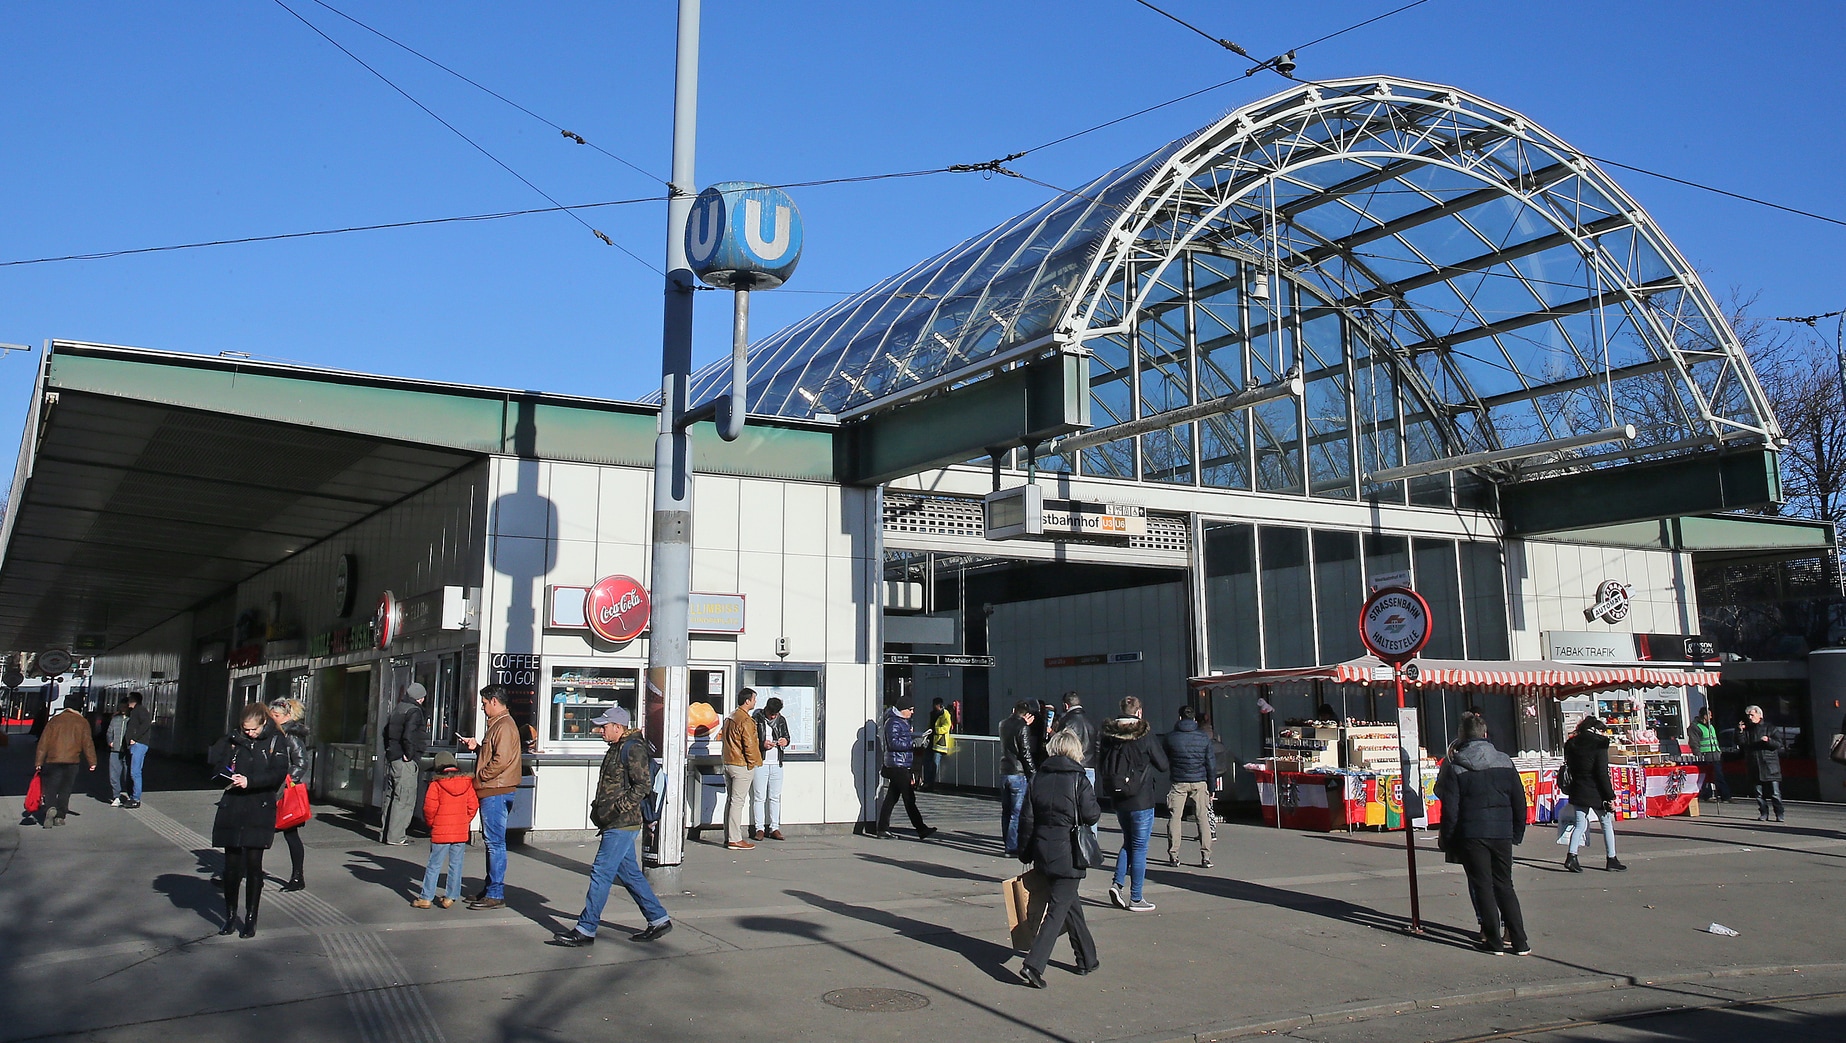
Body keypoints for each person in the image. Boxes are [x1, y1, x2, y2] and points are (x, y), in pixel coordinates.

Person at [552, 706, 673, 946]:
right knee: (629, 874)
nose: (600, 731)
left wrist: (618, 807)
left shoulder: (633, 748)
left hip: (622, 823)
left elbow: (642, 785)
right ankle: (658, 919)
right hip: (614, 821)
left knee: (601, 872)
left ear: (618, 727)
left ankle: (586, 929)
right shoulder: (617, 747)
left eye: (604, 727)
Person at [1434, 713, 1531, 956]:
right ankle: (1520, 941)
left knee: (1483, 886)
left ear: (1462, 736)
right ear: (1485, 734)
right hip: (1501, 831)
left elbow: (1451, 809)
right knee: (1505, 885)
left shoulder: (1456, 765)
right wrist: (1516, 832)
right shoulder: (1505, 762)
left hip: (1472, 832)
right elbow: (1520, 801)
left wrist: (1447, 838)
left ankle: (1493, 940)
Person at [1015, 728, 1102, 988]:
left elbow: (1027, 819)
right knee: (1056, 911)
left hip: (1044, 851)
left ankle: (1087, 958)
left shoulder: (1038, 778)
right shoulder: (1079, 779)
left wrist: (1025, 852)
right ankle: (1034, 965)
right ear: (1075, 750)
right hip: (1070, 854)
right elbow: (1092, 815)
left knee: (1069, 905)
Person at [212, 704, 290, 938]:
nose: (249, 734)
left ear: (263, 723)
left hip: (260, 806)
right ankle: (229, 916)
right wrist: (228, 775)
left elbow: (278, 772)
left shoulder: (276, 741)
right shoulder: (234, 739)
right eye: (245, 729)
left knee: (254, 866)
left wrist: (250, 781)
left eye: (253, 730)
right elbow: (218, 766)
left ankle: (250, 918)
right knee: (231, 867)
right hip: (234, 805)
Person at [1098, 696, 1169, 911]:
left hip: (1119, 798)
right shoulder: (1144, 735)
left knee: (1128, 841)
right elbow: (1163, 765)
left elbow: (1102, 763)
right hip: (1142, 798)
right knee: (1139, 847)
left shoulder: (1109, 735)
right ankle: (1136, 897)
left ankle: (1117, 884)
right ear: (1139, 712)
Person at [458, 685, 521, 910]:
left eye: (484, 703)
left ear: (494, 701)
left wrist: (481, 776)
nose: (483, 708)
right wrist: (478, 748)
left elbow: (500, 759)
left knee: (495, 843)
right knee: (492, 842)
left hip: (496, 790)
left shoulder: (503, 726)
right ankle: (490, 888)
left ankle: (495, 892)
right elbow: (495, 755)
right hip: (496, 788)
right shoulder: (499, 725)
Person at [1558, 716, 1626, 872]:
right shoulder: (1599, 744)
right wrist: (1610, 796)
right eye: (1603, 730)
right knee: (1606, 822)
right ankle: (1611, 858)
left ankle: (1571, 856)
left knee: (1580, 824)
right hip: (1595, 790)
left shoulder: (1572, 743)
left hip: (1578, 788)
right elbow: (1602, 773)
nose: (1604, 734)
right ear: (1596, 730)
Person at [414, 751, 478, 909]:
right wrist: (464, 821)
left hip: (440, 831)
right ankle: (450, 897)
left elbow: (429, 809)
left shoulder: (435, 784)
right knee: (456, 864)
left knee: (434, 864)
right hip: (460, 831)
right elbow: (473, 806)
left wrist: (432, 824)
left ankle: (426, 898)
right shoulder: (467, 783)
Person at [873, 696, 936, 840]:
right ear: (903, 709)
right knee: (909, 797)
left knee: (892, 798)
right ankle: (921, 829)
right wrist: (913, 744)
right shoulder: (894, 722)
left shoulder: (901, 722)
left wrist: (917, 739)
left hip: (900, 764)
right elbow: (893, 744)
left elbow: (901, 740)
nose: (912, 712)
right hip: (897, 765)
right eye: (910, 709)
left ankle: (882, 828)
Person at [1162, 705, 1217, 869]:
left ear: (1179, 718)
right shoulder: (1203, 737)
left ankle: (1174, 855)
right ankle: (1206, 856)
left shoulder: (1171, 737)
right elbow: (1211, 764)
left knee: (1175, 817)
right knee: (1202, 817)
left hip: (1178, 781)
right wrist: (1212, 787)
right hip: (1199, 781)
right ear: (1194, 719)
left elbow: (1165, 759)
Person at [267, 697, 310, 891]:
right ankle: (237, 871)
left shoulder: (290, 735)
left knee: (290, 833)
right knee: (258, 831)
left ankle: (297, 876)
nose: (272, 718)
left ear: (286, 716)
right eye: (271, 715)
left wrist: (288, 780)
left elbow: (301, 762)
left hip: (283, 790)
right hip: (271, 788)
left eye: (276, 716)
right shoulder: (273, 732)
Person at [380, 682, 430, 845]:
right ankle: (396, 837)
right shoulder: (414, 711)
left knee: (391, 796)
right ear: (420, 698)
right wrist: (410, 754)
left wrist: (390, 751)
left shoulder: (398, 708)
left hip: (393, 757)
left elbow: (385, 732)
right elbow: (409, 735)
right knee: (404, 798)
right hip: (404, 760)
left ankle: (386, 833)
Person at [34, 697, 97, 826]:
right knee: (65, 789)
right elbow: (88, 743)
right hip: (72, 761)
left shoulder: (54, 720)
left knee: (51, 787)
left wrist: (38, 762)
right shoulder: (82, 722)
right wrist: (92, 761)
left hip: (53, 760)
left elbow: (43, 742)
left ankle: (50, 808)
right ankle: (60, 816)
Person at [721, 687, 763, 850]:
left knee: (731, 801)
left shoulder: (731, 717)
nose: (755, 701)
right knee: (737, 802)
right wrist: (753, 762)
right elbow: (750, 744)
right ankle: (735, 839)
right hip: (741, 765)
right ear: (747, 701)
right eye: (753, 699)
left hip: (729, 762)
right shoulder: (745, 720)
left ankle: (729, 836)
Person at [998, 699, 1038, 856]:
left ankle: (1007, 842)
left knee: (1006, 811)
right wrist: (1033, 773)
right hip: (1018, 772)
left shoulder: (1002, 724)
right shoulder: (1023, 727)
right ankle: (1012, 846)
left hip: (1004, 769)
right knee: (1016, 812)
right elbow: (1025, 752)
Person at [751, 695, 790, 841]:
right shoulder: (757, 719)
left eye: (776, 714)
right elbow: (750, 740)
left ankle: (775, 827)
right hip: (761, 762)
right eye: (771, 713)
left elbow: (787, 736)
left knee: (775, 797)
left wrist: (784, 741)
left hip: (777, 763)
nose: (773, 716)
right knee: (759, 797)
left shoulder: (781, 720)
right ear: (766, 709)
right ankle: (759, 828)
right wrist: (762, 744)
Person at [1740, 705, 1784, 822]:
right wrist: (1740, 731)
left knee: (1775, 793)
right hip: (1754, 765)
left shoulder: (1770, 728)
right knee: (1759, 794)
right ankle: (1764, 813)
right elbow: (1741, 743)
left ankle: (1779, 813)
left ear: (1760, 715)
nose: (1750, 717)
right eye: (1748, 715)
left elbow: (1778, 744)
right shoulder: (1747, 730)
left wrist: (1769, 740)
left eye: (1752, 715)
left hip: (1770, 766)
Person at [1688, 706, 1730, 802]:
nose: (1711, 717)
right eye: (1709, 715)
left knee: (1718, 776)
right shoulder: (1695, 727)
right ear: (1704, 716)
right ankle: (1708, 795)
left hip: (1715, 754)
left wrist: (1719, 751)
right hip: (1705, 754)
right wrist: (1698, 755)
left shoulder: (1710, 726)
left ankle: (1725, 795)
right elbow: (1694, 743)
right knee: (1707, 777)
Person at [122, 691, 153, 806]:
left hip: (138, 744)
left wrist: (135, 738)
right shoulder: (136, 711)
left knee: (135, 772)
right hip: (137, 744)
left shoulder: (139, 710)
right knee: (134, 771)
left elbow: (146, 724)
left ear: (134, 700)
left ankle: (136, 798)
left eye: (129, 699)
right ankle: (133, 796)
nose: (128, 701)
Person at [105, 697, 133, 808]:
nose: (122, 709)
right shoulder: (115, 719)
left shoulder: (132, 719)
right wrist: (110, 741)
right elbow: (109, 731)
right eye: (121, 706)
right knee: (114, 774)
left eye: (124, 706)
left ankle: (130, 794)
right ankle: (116, 796)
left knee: (129, 773)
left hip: (127, 750)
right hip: (115, 749)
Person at [922, 697, 955, 790]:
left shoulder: (945, 714)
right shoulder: (933, 714)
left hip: (940, 743)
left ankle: (930, 783)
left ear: (939, 705)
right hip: (932, 741)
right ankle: (927, 782)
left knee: (934, 763)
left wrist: (936, 730)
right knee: (927, 762)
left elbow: (946, 726)